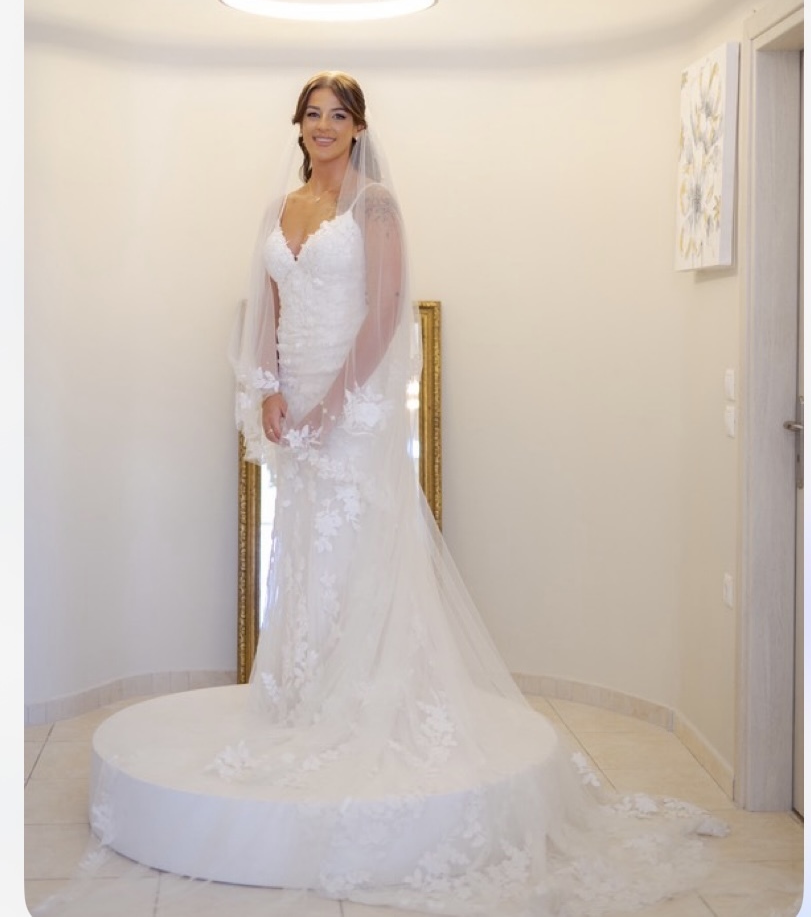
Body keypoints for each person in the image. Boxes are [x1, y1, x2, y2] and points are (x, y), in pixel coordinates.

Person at [221, 71, 728, 914]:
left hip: (353, 401)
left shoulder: (375, 205)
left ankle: (366, 698)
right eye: (312, 114)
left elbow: (386, 309)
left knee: (358, 543)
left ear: (358, 127)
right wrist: (272, 389)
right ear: (297, 124)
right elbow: (271, 300)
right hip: (295, 396)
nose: (323, 126)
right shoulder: (282, 207)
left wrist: (333, 403)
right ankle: (308, 698)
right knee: (305, 541)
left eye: (338, 115)